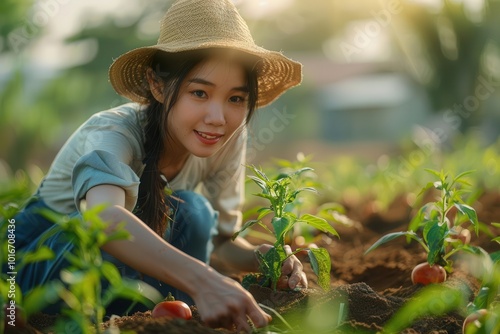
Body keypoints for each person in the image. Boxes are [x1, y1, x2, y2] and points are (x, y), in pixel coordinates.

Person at [8, 0, 305, 331]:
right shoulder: (113, 133)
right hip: (31, 267)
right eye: (200, 93)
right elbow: (102, 220)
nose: (218, 118)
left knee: (194, 212)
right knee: (108, 228)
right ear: (158, 85)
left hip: (116, 275)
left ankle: (152, 317)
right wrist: (205, 281)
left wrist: (262, 258)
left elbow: (220, 244)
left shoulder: (228, 138)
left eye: (236, 98)